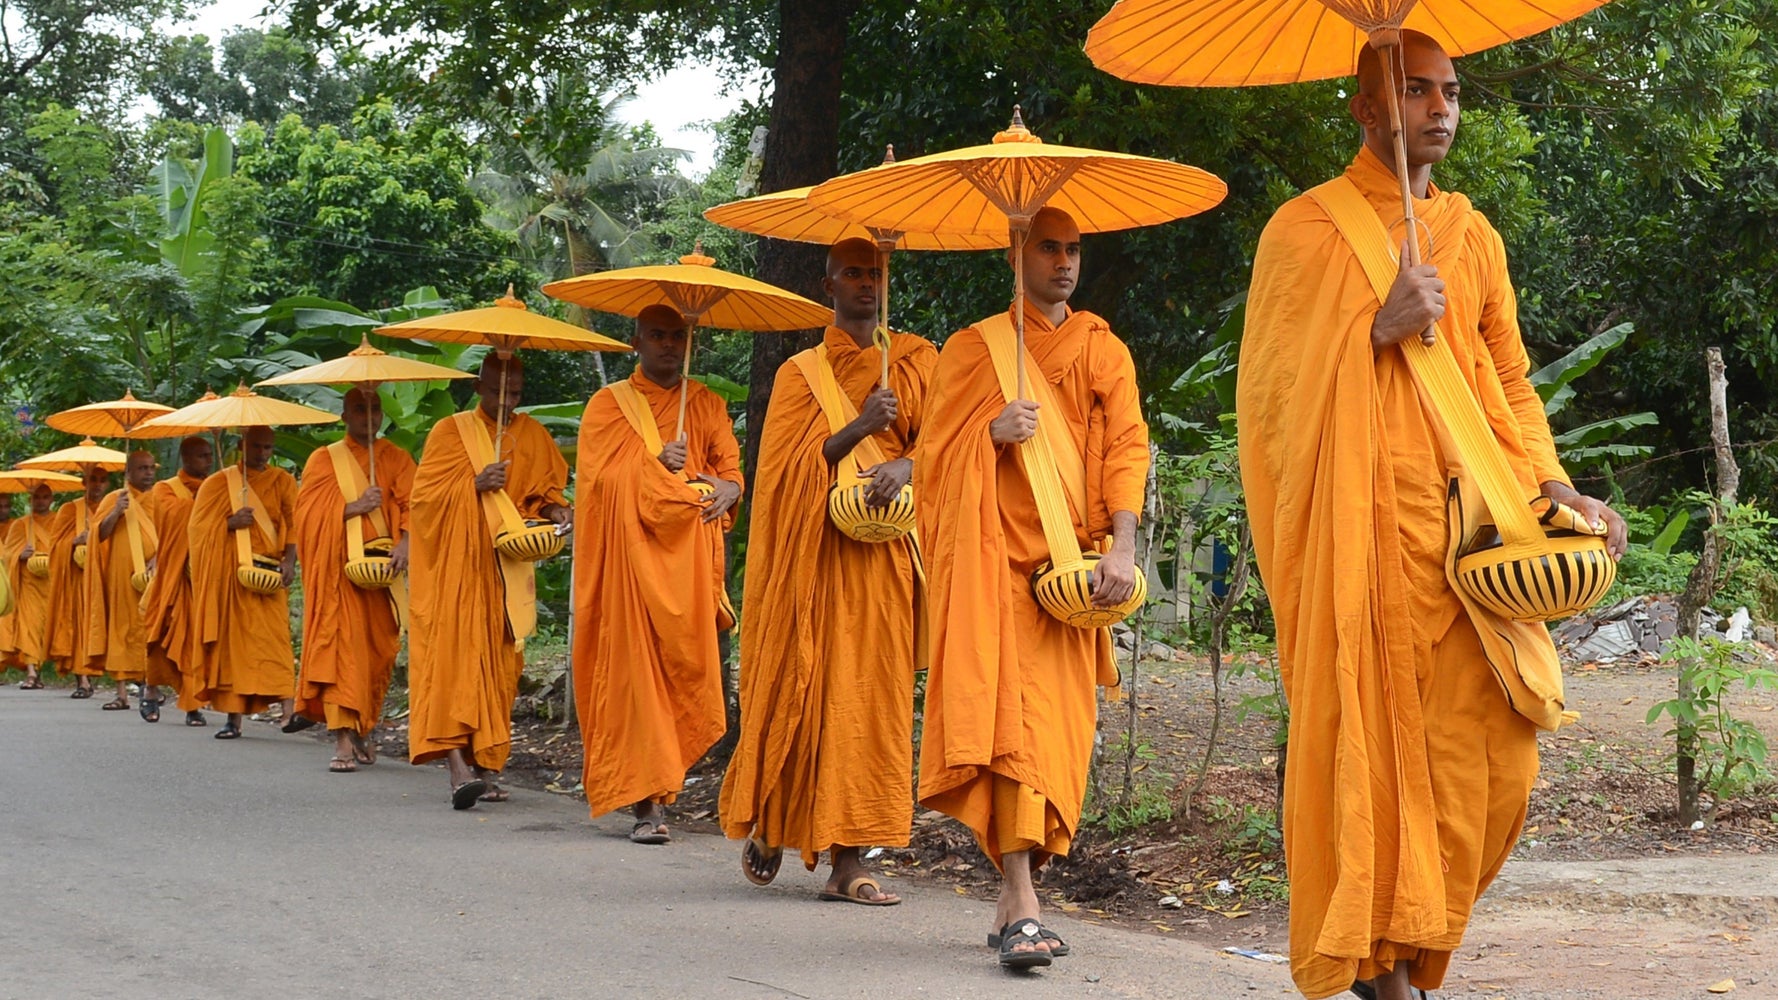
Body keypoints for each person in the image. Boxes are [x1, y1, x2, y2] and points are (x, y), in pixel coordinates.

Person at [1236, 31, 1627, 1000]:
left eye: (1448, 92)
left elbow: (1505, 379)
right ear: (1365, 107)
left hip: (1472, 539)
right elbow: (1272, 405)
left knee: (1497, 763)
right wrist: (1373, 329)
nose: (1439, 108)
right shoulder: (1303, 231)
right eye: (1414, 91)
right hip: (1361, 540)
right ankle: (1385, 965)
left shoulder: (1472, 236)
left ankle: (1409, 950)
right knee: (1373, 745)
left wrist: (1556, 485)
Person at [915, 206, 1148, 967]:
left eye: (1074, 249)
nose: (1064, 262)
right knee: (1010, 733)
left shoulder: (1101, 346)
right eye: (1048, 247)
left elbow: (1125, 447)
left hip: (1071, 573)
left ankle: (1015, 889)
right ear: (1016, 253)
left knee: (1058, 738)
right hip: (996, 570)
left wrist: (1122, 544)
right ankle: (1020, 901)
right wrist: (989, 433)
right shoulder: (972, 349)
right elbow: (932, 465)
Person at [718, 239, 932, 901]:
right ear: (829, 284)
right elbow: (784, 471)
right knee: (805, 693)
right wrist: (861, 424)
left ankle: (849, 861)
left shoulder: (919, 360)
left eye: (875, 273)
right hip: (816, 561)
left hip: (886, 561)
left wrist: (904, 464)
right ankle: (776, 818)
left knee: (868, 704)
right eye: (853, 274)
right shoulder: (798, 374)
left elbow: (945, 443)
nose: (866, 284)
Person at [573, 304, 743, 844]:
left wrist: (730, 488)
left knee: (683, 672)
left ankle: (666, 786)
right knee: (635, 678)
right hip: (629, 568)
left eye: (677, 336)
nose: (668, 345)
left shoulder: (707, 403)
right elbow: (598, 486)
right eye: (657, 336)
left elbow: (730, 473)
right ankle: (647, 804)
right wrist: (654, 465)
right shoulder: (608, 406)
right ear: (636, 341)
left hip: (688, 570)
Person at [407, 355, 570, 808]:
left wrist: (558, 513)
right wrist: (473, 484)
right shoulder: (450, 431)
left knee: (500, 666)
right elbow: (423, 503)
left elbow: (545, 495)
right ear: (480, 386)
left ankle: (487, 763)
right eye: (498, 391)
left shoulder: (532, 434)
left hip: (507, 569)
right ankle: (457, 767)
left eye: (515, 392)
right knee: (454, 662)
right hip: (455, 572)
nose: (507, 401)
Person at [292, 388, 416, 772]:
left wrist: (406, 544)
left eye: (375, 409)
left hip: (384, 577)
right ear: (344, 416)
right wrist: (353, 507)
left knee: (380, 655)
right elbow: (306, 517)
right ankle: (343, 738)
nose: (369, 416)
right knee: (341, 651)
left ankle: (364, 724)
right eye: (359, 410)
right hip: (340, 578)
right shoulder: (323, 459)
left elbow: (417, 506)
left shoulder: (396, 457)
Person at [187, 427, 299, 740]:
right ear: (241, 445)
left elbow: (294, 525)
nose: (262, 453)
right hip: (232, 577)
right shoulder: (218, 482)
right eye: (257, 447)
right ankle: (233, 719)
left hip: (269, 574)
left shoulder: (283, 481)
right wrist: (229, 523)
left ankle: (289, 710)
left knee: (275, 644)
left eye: (268, 447)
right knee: (233, 648)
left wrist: (290, 561)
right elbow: (197, 531)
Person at [142, 436, 215, 726]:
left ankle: (192, 705)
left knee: (194, 641)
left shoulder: (218, 486)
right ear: (185, 458)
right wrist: (204, 504)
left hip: (202, 578)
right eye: (201, 456)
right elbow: (172, 519)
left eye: (210, 455)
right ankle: (150, 688)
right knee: (162, 637)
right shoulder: (165, 488)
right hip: (173, 576)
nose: (207, 461)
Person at [87, 450, 161, 717]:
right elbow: (99, 535)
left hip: (154, 574)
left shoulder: (160, 497)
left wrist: (160, 559)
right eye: (142, 468)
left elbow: (172, 532)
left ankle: (150, 684)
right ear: (128, 473)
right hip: (121, 575)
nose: (149, 473)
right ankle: (121, 694)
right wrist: (116, 512)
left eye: (151, 468)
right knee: (121, 629)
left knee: (151, 628)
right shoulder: (114, 498)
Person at [47, 465, 112, 699]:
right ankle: (82, 679)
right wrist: (74, 541)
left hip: (106, 576)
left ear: (108, 484)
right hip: (77, 580)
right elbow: (55, 547)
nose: (97, 485)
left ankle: (121, 674)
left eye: (102, 480)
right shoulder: (69, 510)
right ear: (84, 483)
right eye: (93, 480)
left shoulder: (112, 508)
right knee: (79, 625)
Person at [2, 485, 57, 688]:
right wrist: (19, 555)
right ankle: (32, 673)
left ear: (51, 499)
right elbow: (7, 555)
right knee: (29, 627)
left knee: (49, 630)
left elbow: (65, 546)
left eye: (44, 497)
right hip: (29, 585)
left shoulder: (59, 521)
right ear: (29, 500)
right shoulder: (21, 525)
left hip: (53, 583)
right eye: (36, 497)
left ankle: (51, 669)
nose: (41, 501)